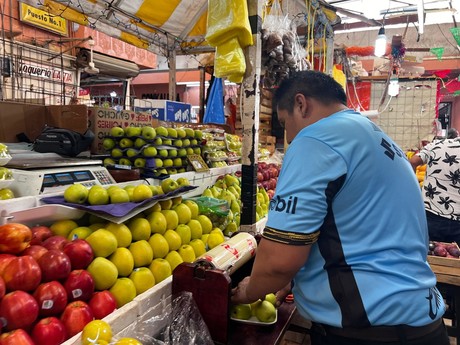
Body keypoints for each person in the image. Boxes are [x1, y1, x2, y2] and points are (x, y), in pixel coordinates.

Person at [231, 70, 449, 345]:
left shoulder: (316, 139)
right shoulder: (376, 136)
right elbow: (358, 229)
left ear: (301, 104)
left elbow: (278, 262)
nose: (289, 136)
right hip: (422, 321)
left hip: (368, 330)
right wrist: (297, 279)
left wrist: (249, 291)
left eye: (285, 124)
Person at [410, 127, 460, 243]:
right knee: (453, 257)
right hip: (457, 219)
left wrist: (415, 190)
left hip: (430, 214)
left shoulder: (437, 144)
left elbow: (413, 162)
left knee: (429, 253)